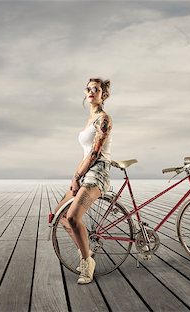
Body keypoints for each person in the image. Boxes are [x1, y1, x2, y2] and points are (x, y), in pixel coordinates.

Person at [53, 77, 112, 284]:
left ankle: (88, 264)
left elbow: (95, 154)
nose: (91, 92)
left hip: (98, 172)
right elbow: (86, 153)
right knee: (58, 216)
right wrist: (75, 176)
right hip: (85, 170)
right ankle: (85, 251)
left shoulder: (104, 119)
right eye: (88, 89)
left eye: (96, 89)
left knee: (72, 217)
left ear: (103, 94)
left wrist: (79, 176)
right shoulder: (89, 120)